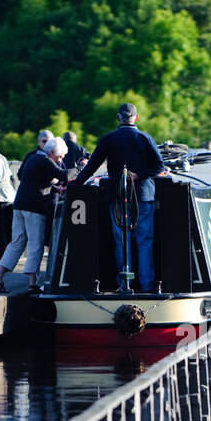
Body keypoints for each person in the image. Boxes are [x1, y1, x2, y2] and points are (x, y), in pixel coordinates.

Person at [71, 103, 169, 292]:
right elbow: (159, 166)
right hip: (143, 196)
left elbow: (91, 166)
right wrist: (138, 175)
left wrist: (75, 185)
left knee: (121, 241)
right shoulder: (145, 138)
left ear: (118, 118)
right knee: (144, 241)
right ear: (136, 118)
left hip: (117, 198)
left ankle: (124, 284)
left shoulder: (109, 139)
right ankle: (147, 285)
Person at [0, 136, 69, 295]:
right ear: (52, 152)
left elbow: (33, 179)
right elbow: (64, 175)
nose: (60, 160)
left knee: (16, 243)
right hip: (34, 208)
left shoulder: (33, 158)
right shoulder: (46, 161)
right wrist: (81, 167)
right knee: (36, 245)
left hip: (19, 205)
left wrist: (52, 186)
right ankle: (33, 284)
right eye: (59, 156)